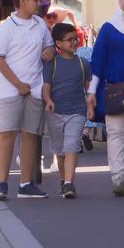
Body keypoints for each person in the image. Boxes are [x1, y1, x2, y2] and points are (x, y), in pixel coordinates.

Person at [0, 0, 56, 200]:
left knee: (30, 136)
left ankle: (25, 183)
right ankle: (2, 183)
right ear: (22, 2)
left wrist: (48, 50)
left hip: (35, 89)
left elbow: (49, 47)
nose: (39, 3)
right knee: (7, 134)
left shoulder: (39, 25)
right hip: (9, 90)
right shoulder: (4, 29)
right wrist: (17, 84)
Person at [86, 0, 124, 197]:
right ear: (118, 0)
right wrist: (92, 92)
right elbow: (97, 62)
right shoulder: (109, 28)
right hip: (115, 90)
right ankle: (119, 178)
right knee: (117, 134)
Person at [43, 23, 94, 198]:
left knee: (72, 146)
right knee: (60, 150)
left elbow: (88, 89)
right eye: (69, 40)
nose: (74, 42)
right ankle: (64, 181)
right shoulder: (52, 63)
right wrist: (48, 100)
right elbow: (46, 86)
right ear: (58, 43)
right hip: (55, 113)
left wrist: (90, 105)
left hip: (77, 112)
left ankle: (69, 183)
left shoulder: (83, 63)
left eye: (76, 38)